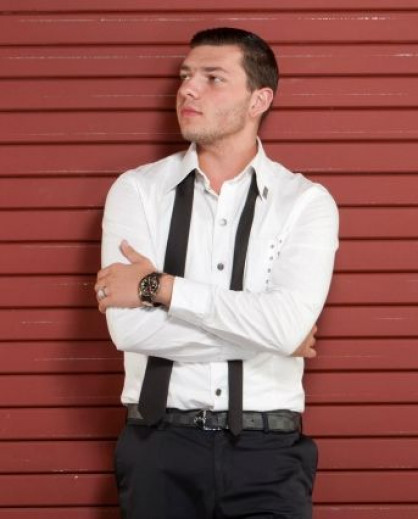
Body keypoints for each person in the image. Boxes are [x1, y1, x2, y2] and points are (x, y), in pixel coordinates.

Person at [94, 27, 338, 519]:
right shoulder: (137, 191)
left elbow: (285, 325)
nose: (188, 89)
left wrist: (160, 287)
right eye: (186, 76)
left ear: (258, 100)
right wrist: (271, 336)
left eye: (213, 78)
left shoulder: (304, 202)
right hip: (158, 449)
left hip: (268, 455)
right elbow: (129, 329)